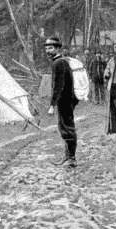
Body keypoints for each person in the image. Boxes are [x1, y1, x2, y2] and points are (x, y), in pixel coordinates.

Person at [45, 36, 79, 167]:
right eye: (47, 48)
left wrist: (52, 105)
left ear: (58, 48)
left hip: (64, 101)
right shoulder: (61, 62)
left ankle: (72, 158)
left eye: (51, 48)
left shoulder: (58, 63)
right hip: (66, 100)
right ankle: (68, 156)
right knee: (64, 127)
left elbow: (59, 86)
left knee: (67, 128)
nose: (48, 51)